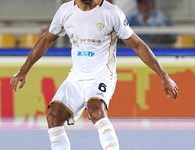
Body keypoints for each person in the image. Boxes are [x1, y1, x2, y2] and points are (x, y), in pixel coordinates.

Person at [10, 0, 178, 149]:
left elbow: (138, 45)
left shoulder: (111, 13)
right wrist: (24, 71)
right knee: (54, 116)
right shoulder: (65, 11)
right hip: (76, 77)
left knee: (96, 110)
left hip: (102, 75)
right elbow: (46, 40)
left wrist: (163, 75)